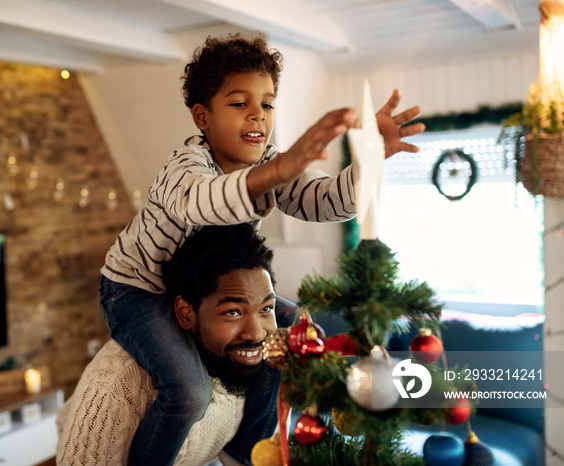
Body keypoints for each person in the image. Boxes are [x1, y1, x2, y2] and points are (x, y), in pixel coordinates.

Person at [99, 33, 425, 465]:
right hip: (139, 290)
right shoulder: (185, 169)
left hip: (204, 291)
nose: (257, 114)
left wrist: (369, 160)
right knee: (189, 392)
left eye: (267, 104)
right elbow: (204, 202)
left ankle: (243, 448)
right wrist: (274, 173)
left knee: (290, 336)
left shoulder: (268, 162)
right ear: (202, 117)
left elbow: (327, 202)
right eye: (239, 103)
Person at [57, 224, 282, 465]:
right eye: (233, 312)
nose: (256, 333)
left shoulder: (251, 364)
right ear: (185, 313)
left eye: (266, 308)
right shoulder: (120, 388)